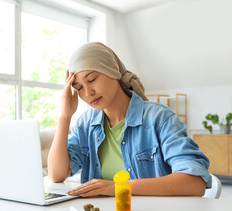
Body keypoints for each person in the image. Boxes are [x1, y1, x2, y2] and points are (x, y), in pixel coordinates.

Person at [47, 42, 211, 197]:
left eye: (92, 79)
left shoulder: (160, 119)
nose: (88, 92)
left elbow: (195, 183)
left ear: (112, 71)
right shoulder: (86, 124)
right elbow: (56, 175)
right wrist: (65, 115)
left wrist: (119, 188)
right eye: (79, 88)